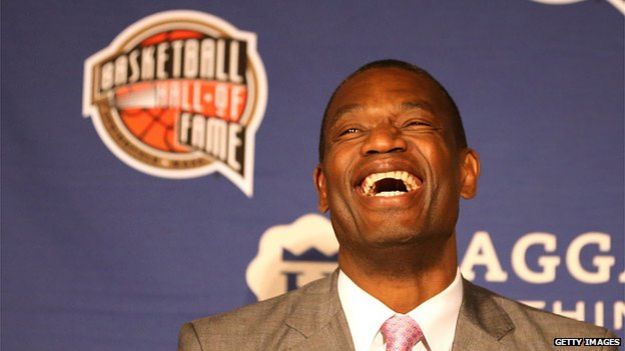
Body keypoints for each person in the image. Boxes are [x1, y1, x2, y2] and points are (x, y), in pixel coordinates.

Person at [178, 60, 619, 351]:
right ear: (323, 189)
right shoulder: (218, 344)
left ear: (466, 173)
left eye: (415, 122)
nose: (384, 140)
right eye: (350, 131)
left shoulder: (576, 344)